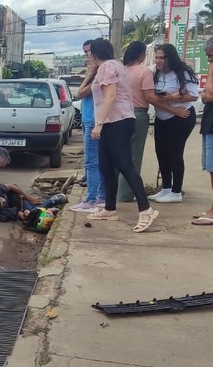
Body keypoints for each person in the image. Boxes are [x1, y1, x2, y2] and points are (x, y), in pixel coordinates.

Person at [86, 38, 159, 233]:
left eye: (89, 54)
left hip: (115, 121)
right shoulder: (116, 65)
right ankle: (110, 208)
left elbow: (110, 96)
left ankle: (146, 209)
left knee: (125, 165)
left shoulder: (107, 67)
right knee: (106, 166)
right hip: (115, 121)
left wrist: (98, 124)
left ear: (93, 54)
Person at [118, 41, 190, 202]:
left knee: (120, 154)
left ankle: (115, 192)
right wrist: (175, 110)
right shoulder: (144, 72)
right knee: (134, 157)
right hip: (138, 115)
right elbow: (150, 98)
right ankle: (126, 194)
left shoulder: (121, 71)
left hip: (120, 115)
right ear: (142, 55)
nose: (157, 60)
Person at [149, 44, 199, 203]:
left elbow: (193, 96)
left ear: (170, 58)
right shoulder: (156, 73)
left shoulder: (183, 73)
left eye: (162, 57)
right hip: (162, 117)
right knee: (161, 152)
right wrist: (168, 104)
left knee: (174, 153)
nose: (158, 61)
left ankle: (176, 191)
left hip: (181, 117)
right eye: (157, 57)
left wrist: (170, 98)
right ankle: (166, 188)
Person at [70, 39, 106, 213]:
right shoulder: (98, 71)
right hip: (90, 118)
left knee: (92, 162)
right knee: (98, 162)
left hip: (94, 120)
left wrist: (90, 72)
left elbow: (79, 93)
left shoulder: (99, 72)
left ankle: (92, 199)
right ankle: (101, 196)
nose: (87, 56)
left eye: (90, 52)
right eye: (85, 52)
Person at [194, 37, 213, 226]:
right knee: (211, 168)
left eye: (211, 57)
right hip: (210, 120)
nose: (209, 62)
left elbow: (209, 92)